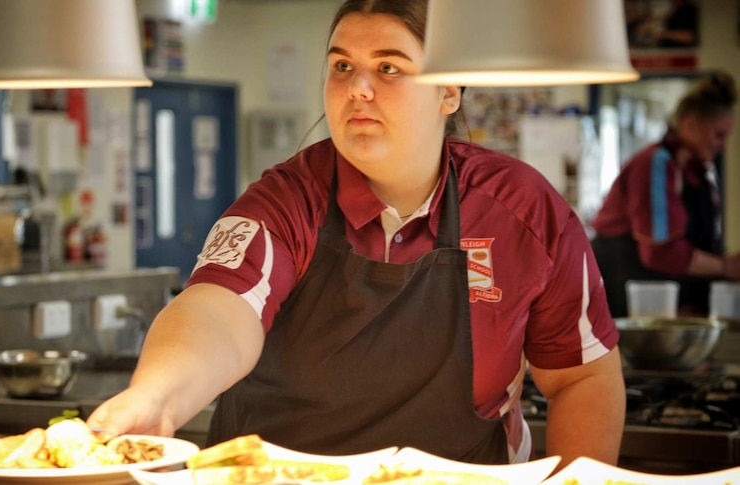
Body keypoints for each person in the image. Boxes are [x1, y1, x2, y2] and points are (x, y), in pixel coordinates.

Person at [88, 0, 625, 469]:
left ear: (449, 91)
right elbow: (217, 310)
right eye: (342, 65)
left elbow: (582, 376)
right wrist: (156, 396)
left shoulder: (522, 210)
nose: (357, 89)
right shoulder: (286, 201)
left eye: (389, 67)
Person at [591, 71, 739, 318]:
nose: (723, 144)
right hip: (628, 303)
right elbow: (659, 252)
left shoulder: (696, 171)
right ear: (690, 125)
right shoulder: (655, 164)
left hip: (667, 304)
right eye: (719, 134)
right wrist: (726, 267)